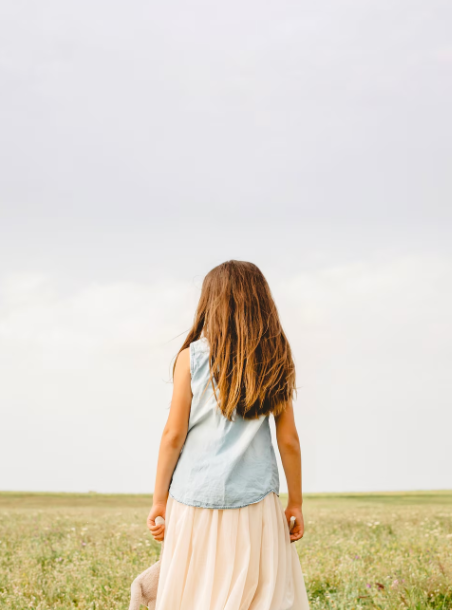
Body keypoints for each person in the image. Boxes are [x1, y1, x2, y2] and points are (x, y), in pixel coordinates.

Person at [147, 260, 310, 610]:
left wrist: (159, 499)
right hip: (256, 500)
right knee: (261, 595)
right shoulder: (276, 357)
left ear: (210, 302)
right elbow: (289, 441)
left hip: (193, 497)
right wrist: (295, 502)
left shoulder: (191, 358)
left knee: (195, 594)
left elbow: (173, 435)